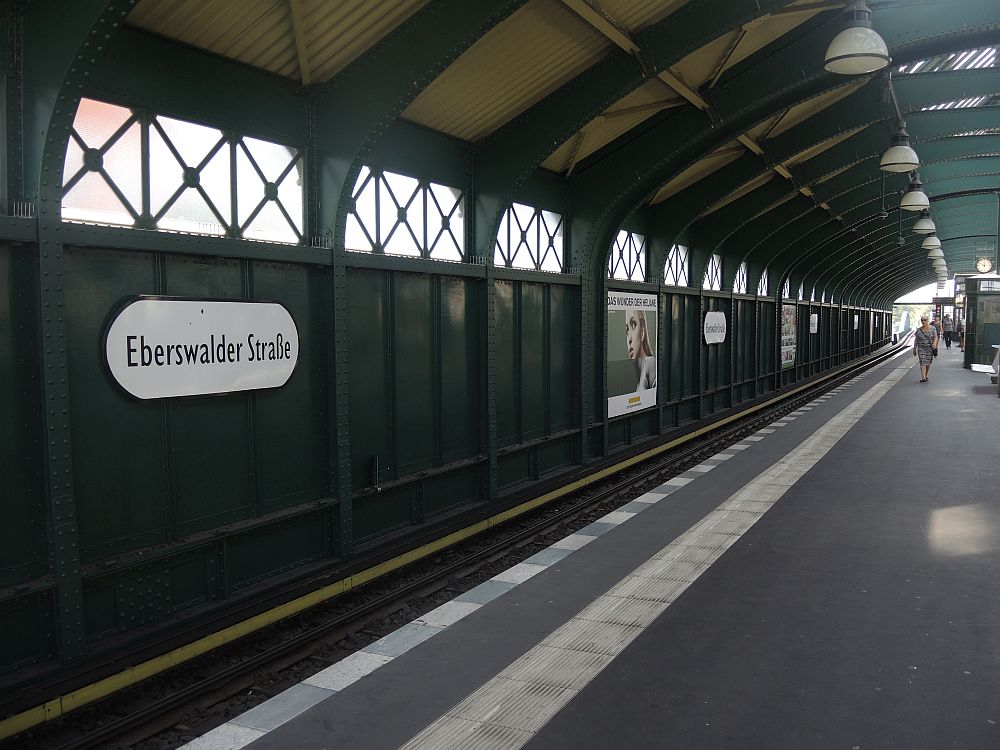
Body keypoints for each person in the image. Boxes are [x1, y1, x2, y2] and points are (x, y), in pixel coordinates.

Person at [625, 308, 656, 390]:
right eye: (627, 330)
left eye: (633, 325)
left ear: (642, 331)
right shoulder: (640, 372)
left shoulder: (651, 363)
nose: (629, 339)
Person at [913, 315, 939, 382]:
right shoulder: (919, 330)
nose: (923, 321)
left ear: (928, 320)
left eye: (925, 320)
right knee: (922, 362)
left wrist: (934, 344)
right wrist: (914, 348)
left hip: (930, 348)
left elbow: (936, 337)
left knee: (928, 363)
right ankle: (923, 377)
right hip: (921, 348)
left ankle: (926, 375)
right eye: (922, 320)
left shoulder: (932, 328)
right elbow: (916, 339)